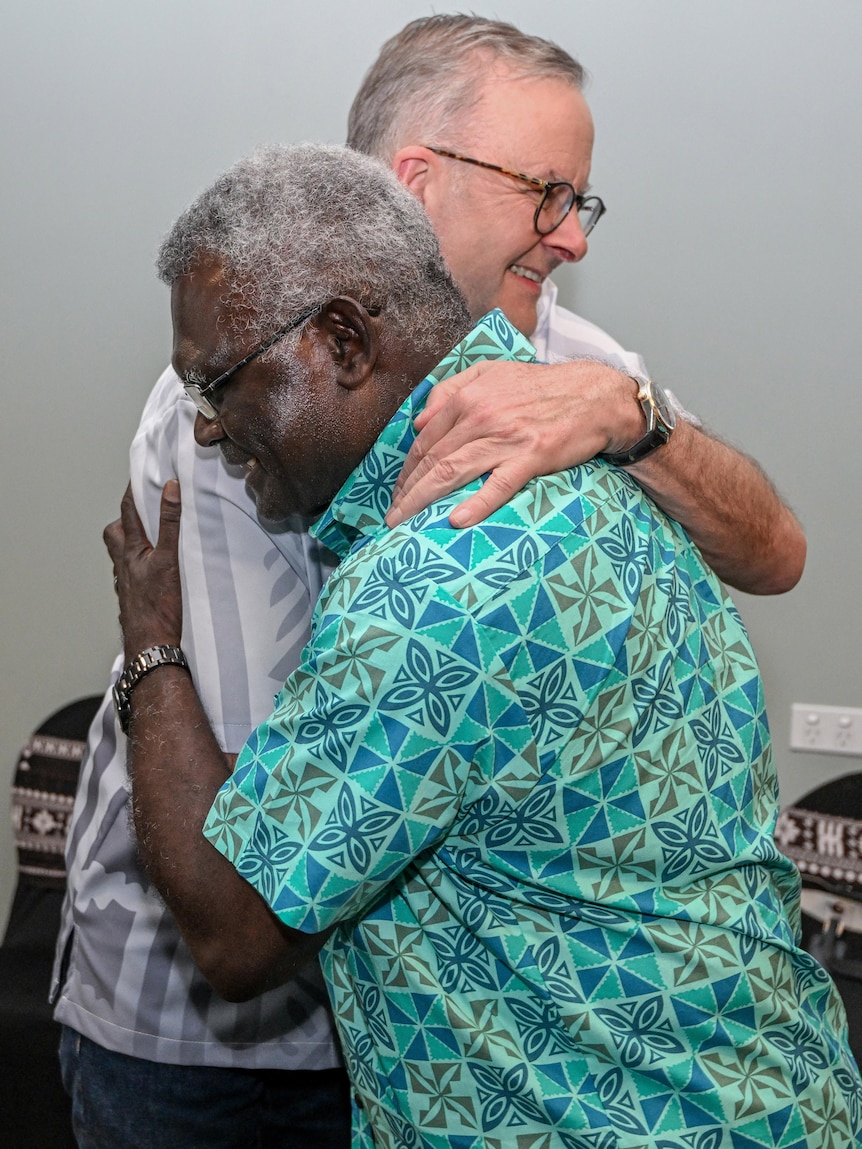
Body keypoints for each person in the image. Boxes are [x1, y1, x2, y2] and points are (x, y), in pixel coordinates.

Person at [54, 15, 807, 1147]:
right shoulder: (236, 407)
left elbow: (247, 903)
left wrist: (632, 418)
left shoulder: (561, 407)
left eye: (577, 200)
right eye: (546, 192)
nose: (572, 237)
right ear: (414, 182)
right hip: (236, 1044)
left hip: (550, 1075)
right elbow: (285, 818)